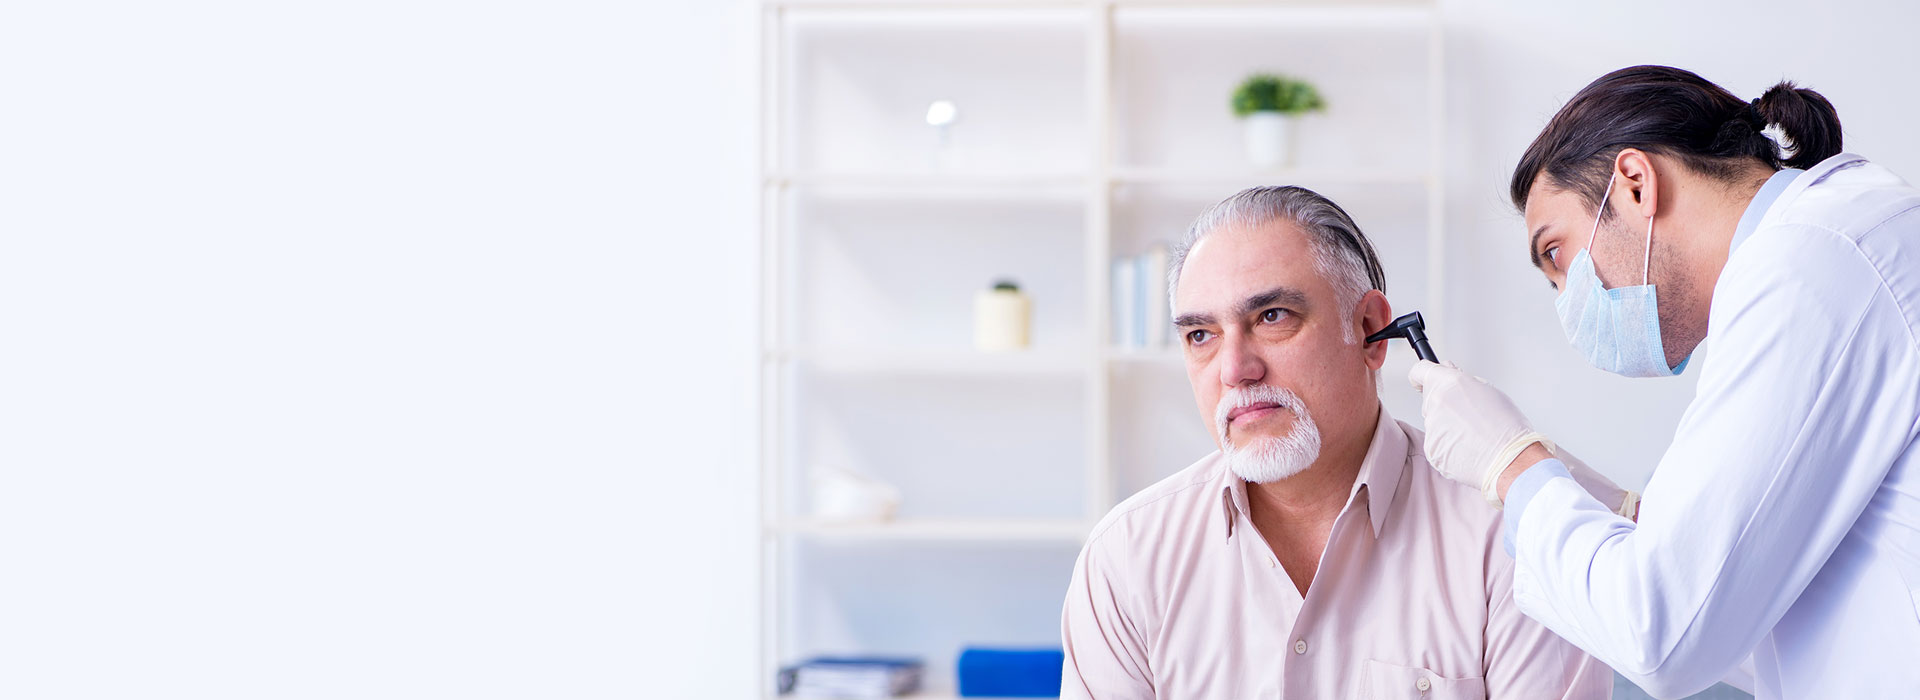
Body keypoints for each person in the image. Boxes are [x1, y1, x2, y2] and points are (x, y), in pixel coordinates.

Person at [1409, 65, 1920, 699]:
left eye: (1556, 255)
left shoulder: (1811, 266)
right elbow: (1745, 606)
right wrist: (1612, 509)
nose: (1566, 299)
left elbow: (1663, 638)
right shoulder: (1835, 235)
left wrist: (1513, 466)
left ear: (1634, 184)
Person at [1060, 186, 1612, 698]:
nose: (1234, 369)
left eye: (1272, 317)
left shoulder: (1516, 539)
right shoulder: (1126, 561)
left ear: (1370, 329)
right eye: (1201, 335)